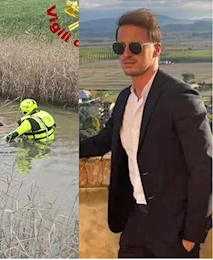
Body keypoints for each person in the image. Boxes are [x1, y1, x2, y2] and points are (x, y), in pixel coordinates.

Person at [79, 8, 212, 258]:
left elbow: (203, 168)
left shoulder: (181, 98)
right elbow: (103, 141)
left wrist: (192, 235)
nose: (126, 54)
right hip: (133, 225)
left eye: (136, 47)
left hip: (174, 230)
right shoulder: (123, 99)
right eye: (120, 48)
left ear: (156, 49)